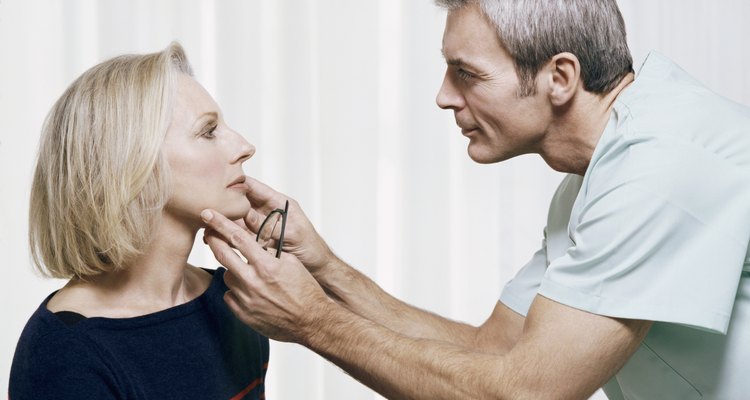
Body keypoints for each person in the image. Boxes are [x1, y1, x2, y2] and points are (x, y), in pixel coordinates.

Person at [202, 0, 750, 399]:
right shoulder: (592, 181)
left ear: (560, 77)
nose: (444, 97)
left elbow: (526, 393)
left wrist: (313, 322)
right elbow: (495, 353)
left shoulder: (655, 167)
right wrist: (325, 269)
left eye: (465, 74)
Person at [9, 43, 269, 399]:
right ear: (134, 168)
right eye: (208, 131)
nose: (244, 146)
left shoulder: (233, 300)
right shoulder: (66, 352)